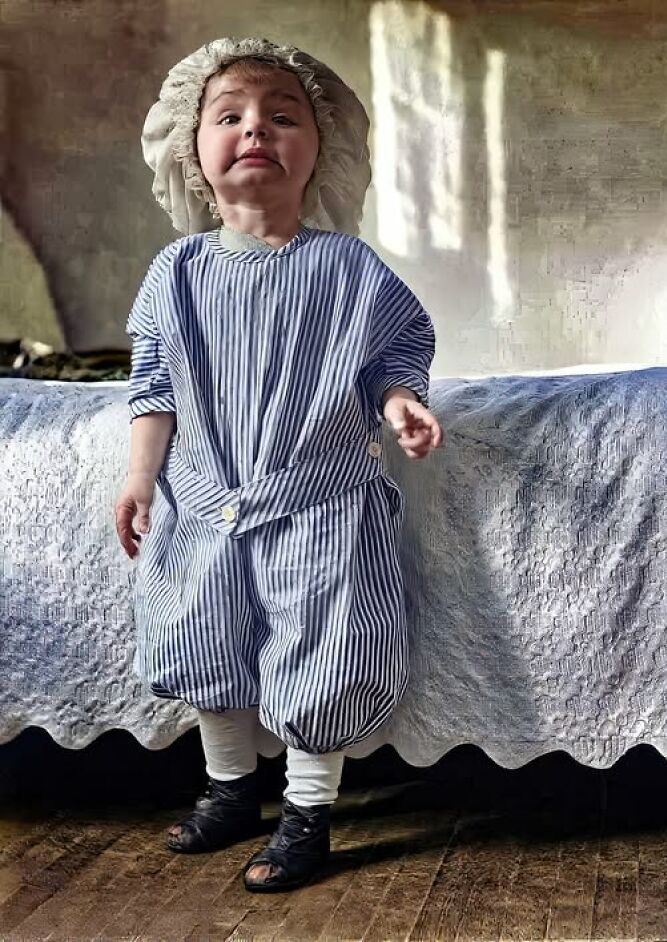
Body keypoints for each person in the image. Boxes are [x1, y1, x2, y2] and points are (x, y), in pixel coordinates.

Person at [114, 36, 443, 893]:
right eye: (230, 117)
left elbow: (391, 356)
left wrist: (400, 402)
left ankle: (308, 813)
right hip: (206, 494)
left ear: (317, 150)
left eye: (282, 116)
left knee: (323, 649)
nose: (255, 129)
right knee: (200, 637)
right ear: (194, 151)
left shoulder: (348, 268)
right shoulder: (176, 272)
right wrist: (141, 477)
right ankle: (229, 791)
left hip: (319, 498)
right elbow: (156, 386)